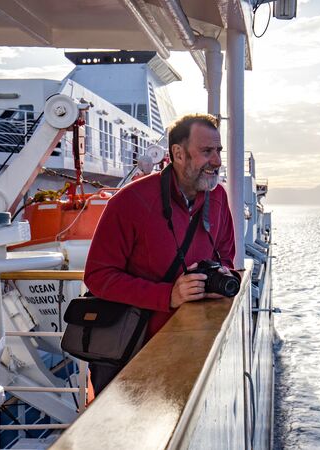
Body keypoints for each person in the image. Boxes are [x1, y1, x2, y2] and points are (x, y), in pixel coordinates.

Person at [83, 113, 237, 393]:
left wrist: (219, 278)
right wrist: (168, 295)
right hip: (134, 352)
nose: (216, 161)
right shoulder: (130, 201)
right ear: (178, 153)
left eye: (218, 151)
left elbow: (226, 255)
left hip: (195, 349)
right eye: (206, 151)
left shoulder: (218, 198)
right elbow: (97, 276)